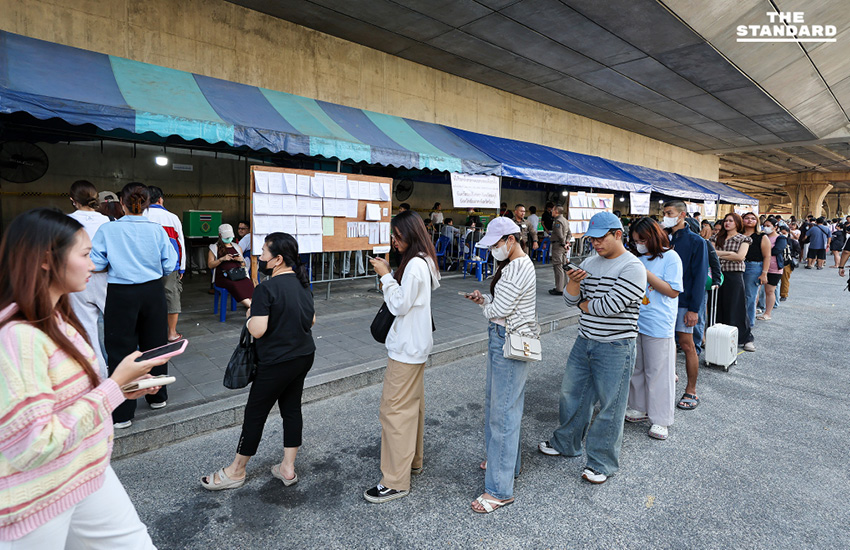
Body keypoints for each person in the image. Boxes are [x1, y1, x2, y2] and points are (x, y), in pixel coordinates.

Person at [0, 208, 170, 547]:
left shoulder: (58, 319)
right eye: (85, 254)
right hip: (35, 497)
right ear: (48, 260)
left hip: (87, 470)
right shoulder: (18, 338)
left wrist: (123, 389)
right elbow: (34, 444)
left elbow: (76, 397)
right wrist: (112, 388)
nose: (94, 265)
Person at [201, 233, 315, 491]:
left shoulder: (265, 288)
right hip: (304, 355)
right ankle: (287, 467)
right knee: (291, 408)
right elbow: (311, 321)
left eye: (263, 252)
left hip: (276, 361)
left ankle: (236, 471)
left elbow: (259, 331)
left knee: (255, 414)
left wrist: (251, 315)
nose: (259, 256)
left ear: (277, 259)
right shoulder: (302, 283)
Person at [538, 212, 646, 485]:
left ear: (617, 234)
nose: (595, 244)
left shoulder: (632, 267)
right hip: (585, 339)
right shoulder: (589, 262)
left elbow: (606, 308)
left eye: (600, 238)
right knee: (572, 395)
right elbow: (569, 299)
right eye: (592, 239)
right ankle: (566, 443)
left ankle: (601, 463)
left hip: (616, 345)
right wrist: (574, 282)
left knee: (611, 406)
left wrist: (583, 304)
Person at [462, 217, 538, 513]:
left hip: (507, 338)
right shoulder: (514, 264)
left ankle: (499, 489)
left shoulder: (518, 266)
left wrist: (487, 306)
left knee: (502, 412)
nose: (493, 249)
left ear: (510, 240)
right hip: (503, 335)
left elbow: (501, 309)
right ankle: (504, 462)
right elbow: (499, 305)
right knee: (501, 404)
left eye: (496, 244)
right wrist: (486, 302)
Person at [364, 211, 441, 503]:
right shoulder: (425, 260)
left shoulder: (415, 265)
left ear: (409, 234)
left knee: (393, 411)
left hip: (406, 349)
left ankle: (395, 480)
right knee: (412, 407)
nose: (394, 242)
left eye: (397, 236)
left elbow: (399, 304)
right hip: (417, 347)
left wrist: (385, 276)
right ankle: (413, 461)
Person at [91, 183, 177, 428]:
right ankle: (157, 396)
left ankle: (122, 413)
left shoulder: (108, 230)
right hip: (152, 292)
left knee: (121, 348)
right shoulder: (157, 230)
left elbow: (96, 263)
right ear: (147, 203)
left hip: (121, 293)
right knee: (155, 345)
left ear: (122, 202)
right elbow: (170, 264)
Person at [625, 218, 682, 441]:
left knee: (659, 372)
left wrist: (645, 272)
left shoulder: (671, 257)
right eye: (636, 240)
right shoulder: (639, 257)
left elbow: (672, 291)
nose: (639, 244)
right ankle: (638, 407)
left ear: (654, 236)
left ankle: (661, 419)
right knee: (637, 367)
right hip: (636, 319)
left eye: (642, 240)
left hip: (659, 323)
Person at [662, 201, 708, 411]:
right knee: (664, 343)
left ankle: (691, 390)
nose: (665, 216)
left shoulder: (696, 241)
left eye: (669, 213)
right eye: (664, 213)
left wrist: (694, 309)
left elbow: (699, 277)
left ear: (681, 215)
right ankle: (665, 381)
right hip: (661, 300)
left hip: (684, 302)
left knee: (687, 344)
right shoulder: (663, 237)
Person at [67, 180, 110, 377]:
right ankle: (122, 373)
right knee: (115, 328)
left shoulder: (67, 222)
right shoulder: (106, 221)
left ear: (72, 200)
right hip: (106, 279)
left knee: (89, 333)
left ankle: (99, 378)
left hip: (78, 281)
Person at [145, 186, 186, 343]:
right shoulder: (172, 217)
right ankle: (171, 333)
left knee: (148, 296)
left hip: (146, 265)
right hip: (170, 265)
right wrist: (182, 266)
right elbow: (180, 243)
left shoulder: (141, 215)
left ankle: (150, 332)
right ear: (161, 199)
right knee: (171, 295)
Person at [711, 213, 754, 352]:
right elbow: (710, 253)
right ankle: (719, 335)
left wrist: (718, 253)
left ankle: (745, 338)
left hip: (734, 275)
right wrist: (729, 254)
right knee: (717, 306)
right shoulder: (716, 237)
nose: (727, 223)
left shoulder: (743, 239)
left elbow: (740, 257)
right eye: (726, 220)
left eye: (731, 221)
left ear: (737, 223)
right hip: (716, 274)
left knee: (736, 307)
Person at [208, 224, 254, 308]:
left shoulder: (237, 247)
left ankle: (254, 307)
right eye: (226, 237)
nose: (228, 239)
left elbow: (243, 265)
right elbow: (210, 265)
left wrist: (240, 260)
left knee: (248, 283)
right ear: (220, 235)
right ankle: (252, 308)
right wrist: (222, 259)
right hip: (223, 277)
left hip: (237, 274)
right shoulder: (214, 248)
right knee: (234, 285)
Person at [741, 212, 770, 324]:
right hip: (737, 265)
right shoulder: (738, 234)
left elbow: (767, 256)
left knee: (750, 296)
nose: (749, 220)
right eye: (747, 218)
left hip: (753, 266)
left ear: (757, 221)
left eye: (753, 218)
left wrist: (764, 273)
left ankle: (748, 322)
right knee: (737, 294)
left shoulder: (761, 236)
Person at [756, 218, 786, 321]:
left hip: (774, 269)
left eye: (768, 225)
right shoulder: (762, 237)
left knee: (769, 291)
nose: (766, 227)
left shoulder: (780, 238)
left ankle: (767, 313)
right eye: (764, 225)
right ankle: (755, 309)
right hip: (760, 267)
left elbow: (777, 250)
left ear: (775, 227)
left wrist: (764, 251)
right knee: (756, 290)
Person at [548, 205, 571, 296]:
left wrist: (563, 243)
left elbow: (559, 234)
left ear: (556, 211)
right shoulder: (565, 220)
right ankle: (565, 286)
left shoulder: (557, 221)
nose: (551, 212)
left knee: (558, 266)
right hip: (563, 246)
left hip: (558, 246)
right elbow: (569, 233)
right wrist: (567, 242)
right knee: (564, 266)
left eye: (553, 210)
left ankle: (559, 288)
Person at [779, 224, 799, 302]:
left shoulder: (792, 241)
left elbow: (798, 250)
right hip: (777, 262)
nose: (782, 235)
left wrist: (791, 256)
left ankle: (784, 294)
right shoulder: (776, 240)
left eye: (784, 233)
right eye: (781, 233)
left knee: (785, 279)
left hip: (787, 262)